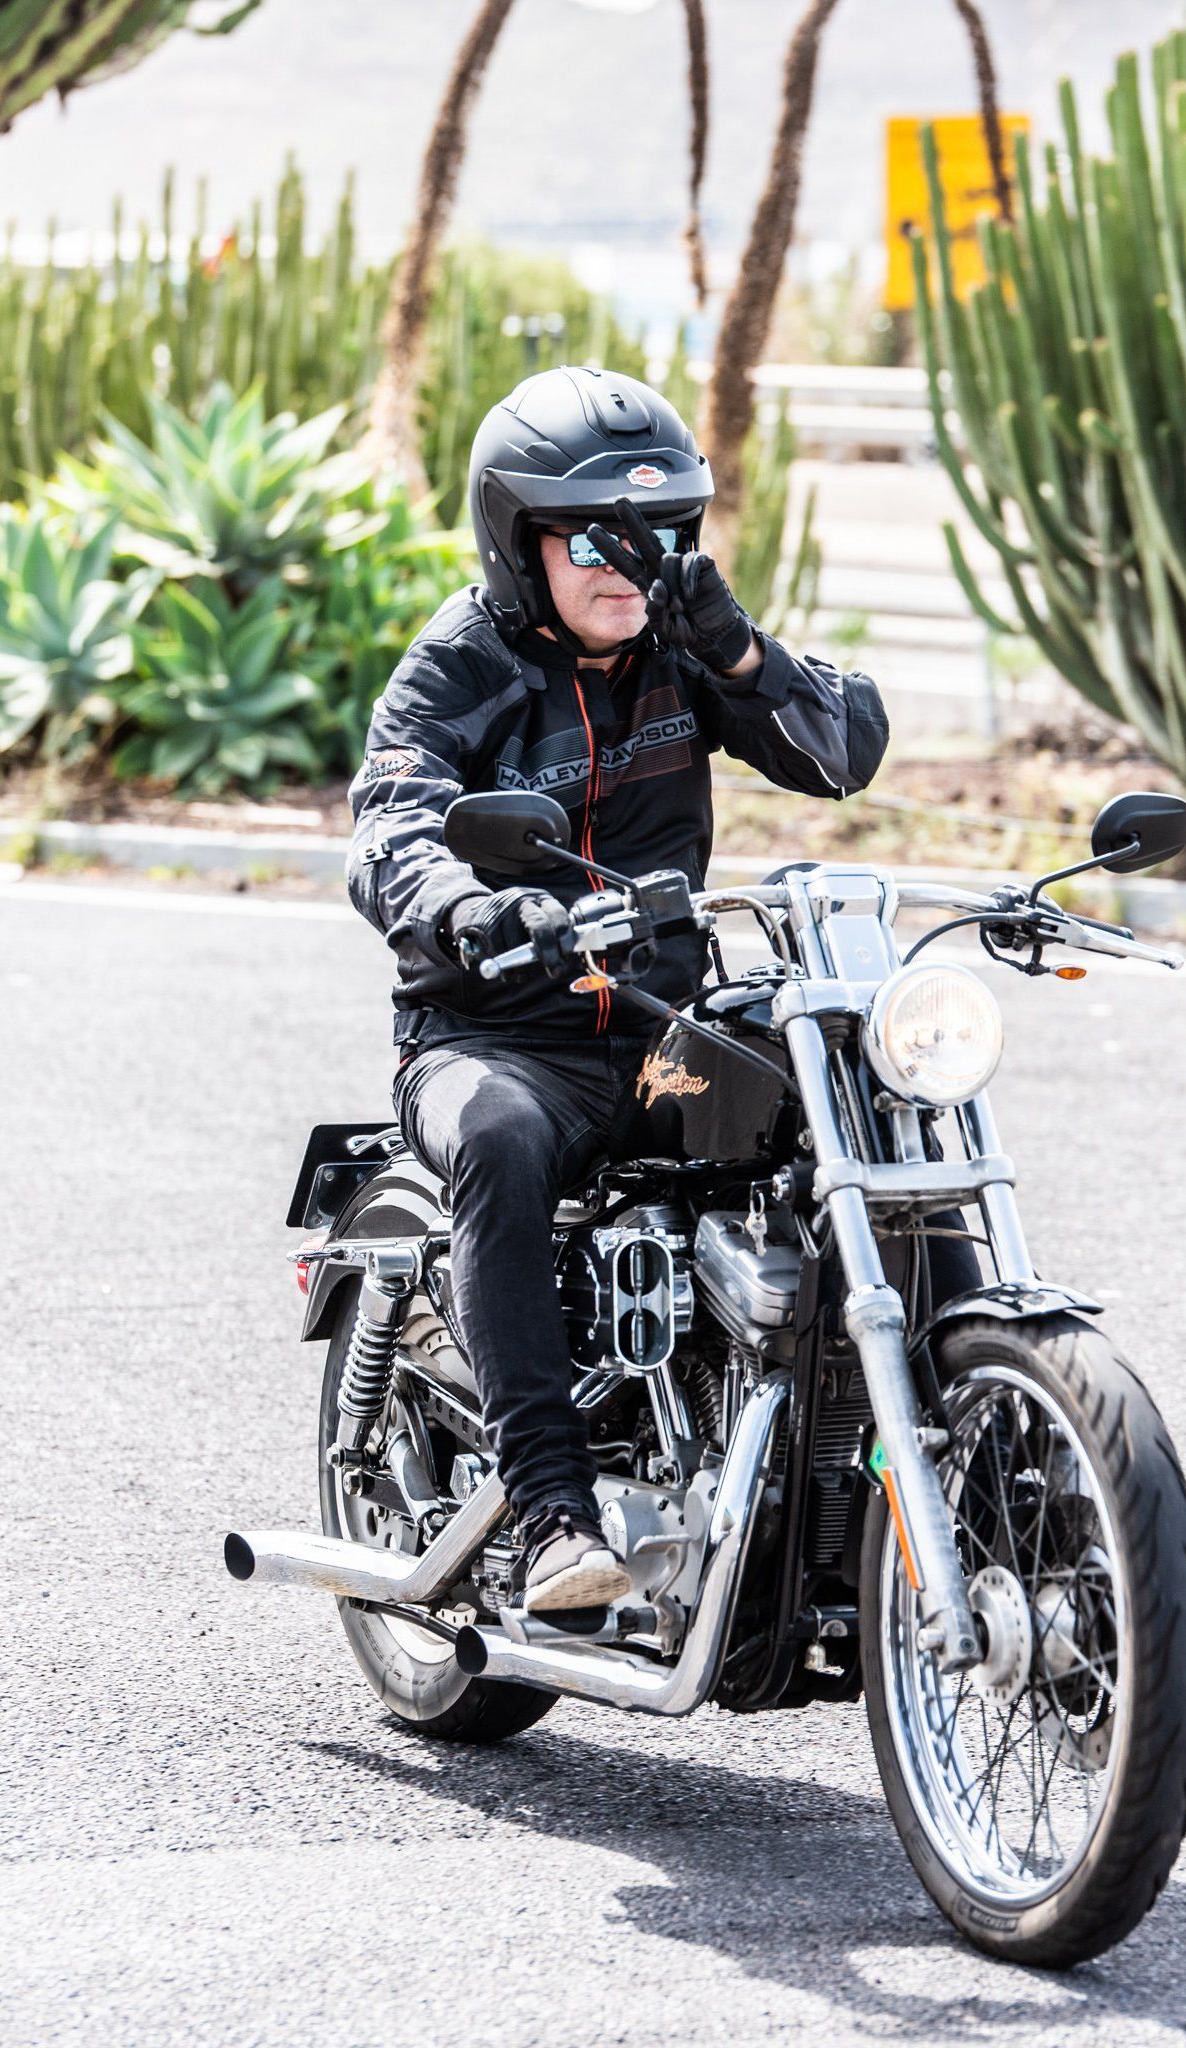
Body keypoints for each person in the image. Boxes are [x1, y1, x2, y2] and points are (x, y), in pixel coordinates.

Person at [346, 365, 889, 1620]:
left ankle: (948, 1446)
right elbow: (389, 832)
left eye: (659, 532)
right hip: (496, 1031)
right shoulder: (457, 666)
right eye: (590, 533)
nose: (626, 561)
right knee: (499, 1134)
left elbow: (846, 752)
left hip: (656, 1039)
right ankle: (550, 1513)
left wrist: (737, 644)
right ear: (515, 535)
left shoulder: (681, 646)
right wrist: (471, 906)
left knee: (848, 1095)